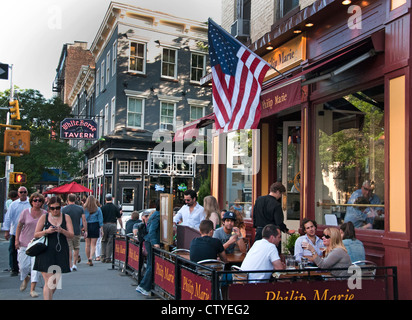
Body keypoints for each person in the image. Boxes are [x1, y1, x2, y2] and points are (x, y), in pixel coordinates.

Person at [33, 196, 74, 300]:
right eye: (52, 208)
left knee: (55, 282)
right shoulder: (44, 217)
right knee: (49, 280)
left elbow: (71, 235)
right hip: (46, 251)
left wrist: (62, 230)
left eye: (57, 208)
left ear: (61, 207)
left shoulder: (66, 217)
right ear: (48, 208)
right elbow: (36, 234)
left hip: (60, 251)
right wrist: (46, 231)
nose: (55, 210)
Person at [15, 192, 46, 298]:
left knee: (35, 268)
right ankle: (26, 278)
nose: (37, 202)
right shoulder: (25, 212)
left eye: (40, 201)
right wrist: (16, 240)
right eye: (35, 200)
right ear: (31, 202)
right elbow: (19, 226)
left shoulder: (45, 214)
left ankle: (32, 289)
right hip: (24, 242)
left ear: (42, 202)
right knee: (23, 267)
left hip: (37, 244)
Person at [2, 186, 31, 276]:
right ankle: (14, 268)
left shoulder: (31, 202)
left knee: (29, 249)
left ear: (27, 193)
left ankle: (28, 268)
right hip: (15, 231)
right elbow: (8, 217)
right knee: (13, 250)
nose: (23, 194)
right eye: (21, 192)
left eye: (24, 192)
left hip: (28, 231)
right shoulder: (13, 204)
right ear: (18, 194)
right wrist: (6, 230)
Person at [136, 200, 160, 296]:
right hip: (151, 242)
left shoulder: (155, 214)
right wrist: (155, 243)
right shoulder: (157, 215)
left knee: (151, 264)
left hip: (149, 241)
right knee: (151, 264)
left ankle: (144, 286)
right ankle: (144, 286)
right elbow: (152, 230)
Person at [62, 193, 87, 271]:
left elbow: (62, 220)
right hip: (77, 230)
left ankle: (69, 265)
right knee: (76, 248)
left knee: (69, 248)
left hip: (67, 231)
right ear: (76, 199)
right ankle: (74, 264)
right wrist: (85, 230)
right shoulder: (80, 208)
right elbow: (84, 220)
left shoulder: (64, 209)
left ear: (68, 200)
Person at [100, 193, 122, 263]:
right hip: (113, 225)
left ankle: (103, 256)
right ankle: (108, 257)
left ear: (105, 199)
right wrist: (121, 226)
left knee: (103, 240)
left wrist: (100, 227)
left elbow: (100, 218)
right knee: (110, 241)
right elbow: (119, 218)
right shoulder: (115, 207)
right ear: (112, 199)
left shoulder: (102, 208)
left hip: (104, 224)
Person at [83, 195, 103, 266]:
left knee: (87, 244)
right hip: (95, 225)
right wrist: (101, 229)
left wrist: (83, 227)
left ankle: (88, 258)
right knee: (93, 244)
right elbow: (100, 220)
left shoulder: (84, 209)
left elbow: (83, 219)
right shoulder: (97, 209)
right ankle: (91, 257)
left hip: (87, 225)